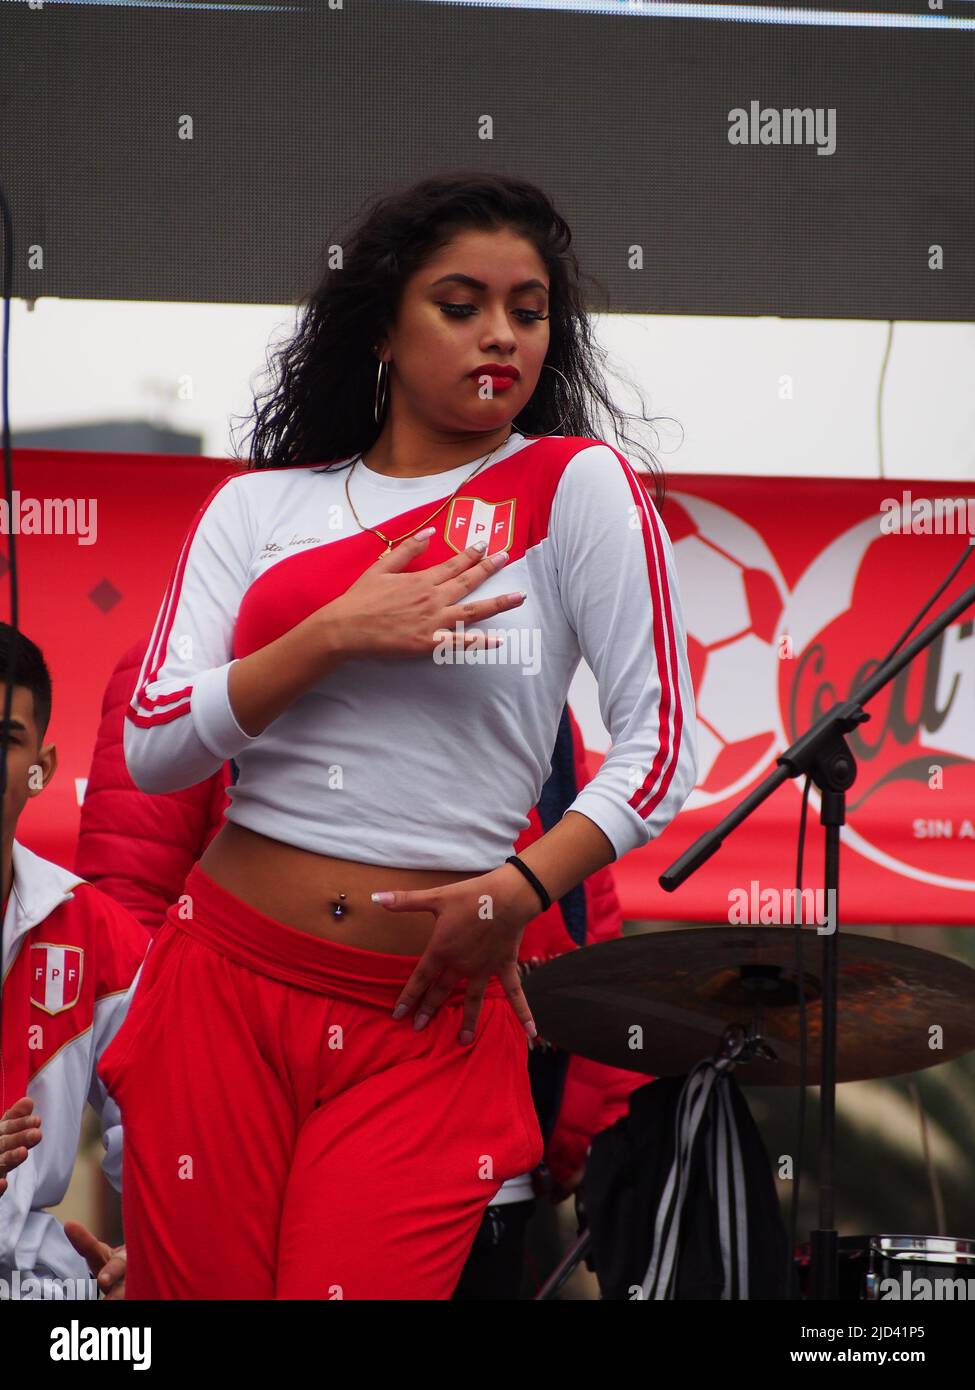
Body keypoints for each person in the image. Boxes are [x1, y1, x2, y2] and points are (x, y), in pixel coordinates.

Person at [97, 170, 698, 1301]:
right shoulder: (259, 511)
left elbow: (661, 750)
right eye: (460, 303)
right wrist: (330, 635)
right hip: (220, 989)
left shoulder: (574, 490)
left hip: (424, 1008)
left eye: (528, 311)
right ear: (382, 326)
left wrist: (517, 892)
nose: (502, 336)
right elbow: (155, 745)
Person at [77, 638, 649, 1298]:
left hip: (488, 1149)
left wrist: (578, 1131)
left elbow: (582, 918)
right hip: (250, 1133)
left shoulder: (517, 661)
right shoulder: (198, 648)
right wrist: (152, 1142)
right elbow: (124, 916)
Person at [0, 624, 148, 1299]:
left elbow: (158, 1134)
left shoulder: (97, 930)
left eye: (4, 741)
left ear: (42, 768)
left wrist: (146, 1252)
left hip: (47, 1293)